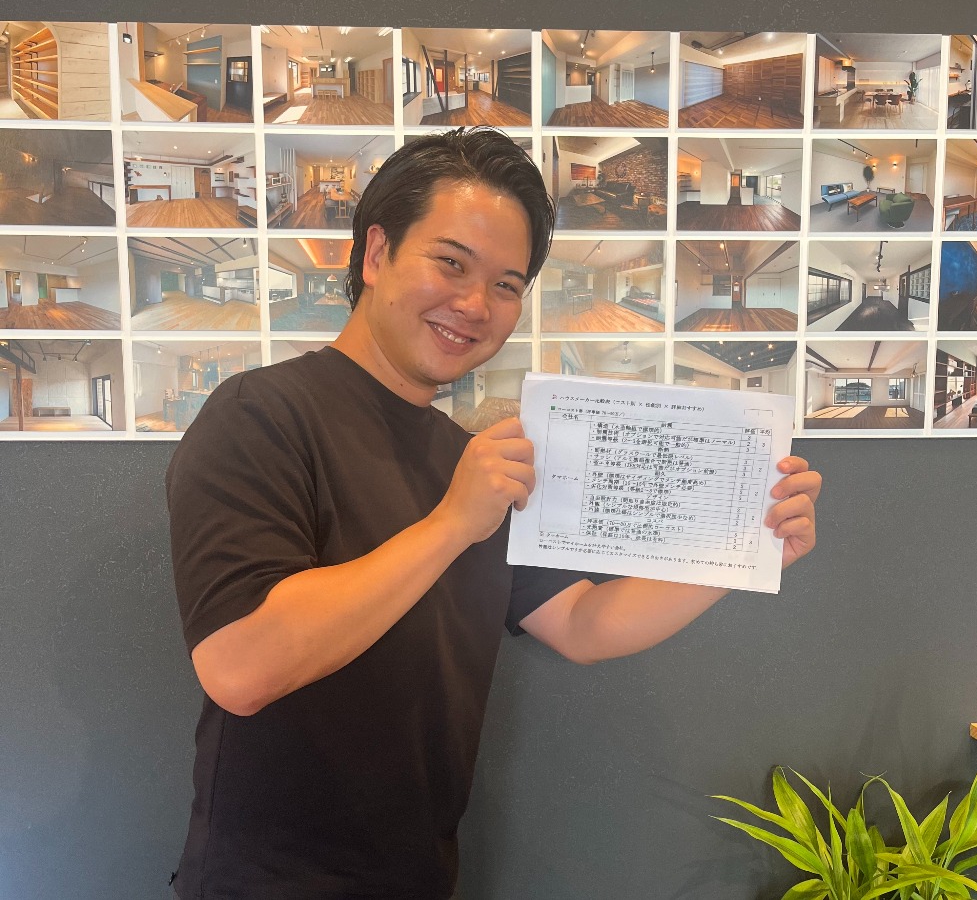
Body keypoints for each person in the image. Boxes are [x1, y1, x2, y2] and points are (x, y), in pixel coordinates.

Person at [166, 127, 821, 900]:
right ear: (376, 254)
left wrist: (745, 546)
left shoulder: (471, 459)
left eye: (507, 285)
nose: (475, 305)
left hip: (419, 877)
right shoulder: (262, 415)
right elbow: (240, 668)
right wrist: (451, 524)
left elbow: (582, 624)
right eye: (451, 263)